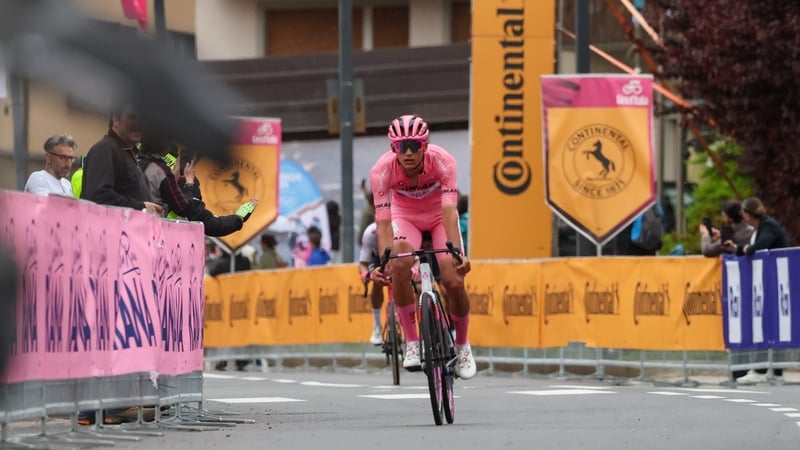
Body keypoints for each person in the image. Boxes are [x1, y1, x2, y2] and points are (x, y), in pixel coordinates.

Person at [368, 114, 475, 379]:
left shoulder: (443, 161)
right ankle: (413, 342)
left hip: (439, 217)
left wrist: (456, 253)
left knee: (453, 280)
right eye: (401, 146)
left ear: (424, 145)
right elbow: (383, 221)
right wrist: (384, 263)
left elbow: (449, 211)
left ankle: (462, 345)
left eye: (414, 145)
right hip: (405, 218)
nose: (408, 152)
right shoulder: (381, 170)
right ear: (393, 147)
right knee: (399, 265)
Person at [137, 134, 257, 236]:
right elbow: (207, 223)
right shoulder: (179, 177)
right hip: (162, 242)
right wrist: (239, 218)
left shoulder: (134, 162)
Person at [726, 197, 790, 384]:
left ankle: (763, 369)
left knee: (768, 324)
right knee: (771, 325)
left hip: (773, 282)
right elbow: (753, 247)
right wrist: (737, 248)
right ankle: (773, 370)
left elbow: (760, 246)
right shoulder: (761, 227)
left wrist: (745, 248)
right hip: (767, 283)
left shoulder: (768, 226)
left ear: (747, 214)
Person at [81, 104, 163, 215]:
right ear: (115, 120)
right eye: (132, 117)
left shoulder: (127, 153)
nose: (139, 124)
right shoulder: (105, 149)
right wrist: (141, 207)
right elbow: (98, 196)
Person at [359, 222, 385, 345]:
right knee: (377, 281)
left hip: (395, 253)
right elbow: (363, 263)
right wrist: (366, 275)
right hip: (376, 257)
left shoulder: (398, 227)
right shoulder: (370, 233)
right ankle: (377, 326)